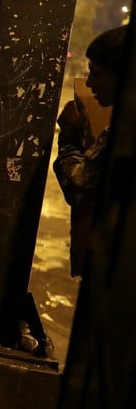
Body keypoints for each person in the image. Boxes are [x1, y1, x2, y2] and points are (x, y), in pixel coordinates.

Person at [53, 24, 129, 278]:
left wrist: (70, 136)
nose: (89, 83)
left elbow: (78, 186)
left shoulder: (124, 131)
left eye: (96, 74)